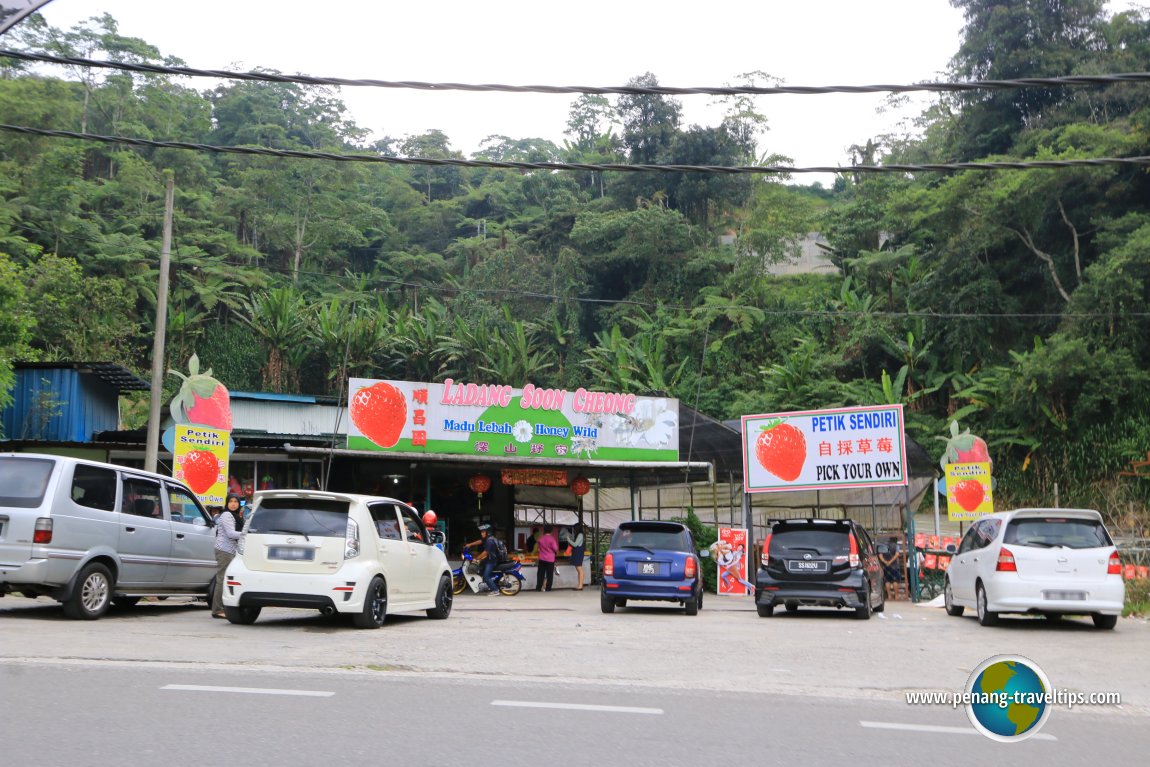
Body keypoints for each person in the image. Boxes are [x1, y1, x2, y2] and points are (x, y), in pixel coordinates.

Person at [211, 494, 244, 618]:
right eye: (231, 501)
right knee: (222, 579)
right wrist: (247, 533)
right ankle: (217, 610)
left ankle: (222, 607)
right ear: (227, 503)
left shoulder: (236, 516)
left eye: (236, 501)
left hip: (231, 551)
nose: (233, 504)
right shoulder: (226, 515)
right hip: (224, 550)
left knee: (226, 579)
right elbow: (231, 534)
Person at [478, 524, 502, 596]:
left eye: (483, 532)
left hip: (491, 562)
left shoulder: (489, 541)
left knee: (486, 576)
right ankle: (487, 585)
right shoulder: (489, 538)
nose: (481, 533)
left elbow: (485, 552)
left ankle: (495, 590)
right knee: (481, 569)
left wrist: (476, 558)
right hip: (489, 560)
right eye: (481, 532)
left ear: (487, 532)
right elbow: (480, 541)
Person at [536, 523, 558, 592]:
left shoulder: (540, 538)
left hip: (542, 558)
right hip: (550, 559)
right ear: (551, 531)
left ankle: (538, 587)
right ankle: (548, 588)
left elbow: (538, 548)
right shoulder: (552, 539)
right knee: (549, 574)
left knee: (540, 574)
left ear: (544, 530)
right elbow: (555, 549)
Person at [565, 524, 586, 590]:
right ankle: (579, 585)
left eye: (574, 529)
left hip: (578, 554)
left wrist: (568, 540)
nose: (573, 530)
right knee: (578, 569)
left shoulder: (580, 535)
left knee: (579, 569)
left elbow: (575, 544)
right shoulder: (579, 535)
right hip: (578, 553)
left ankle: (580, 586)